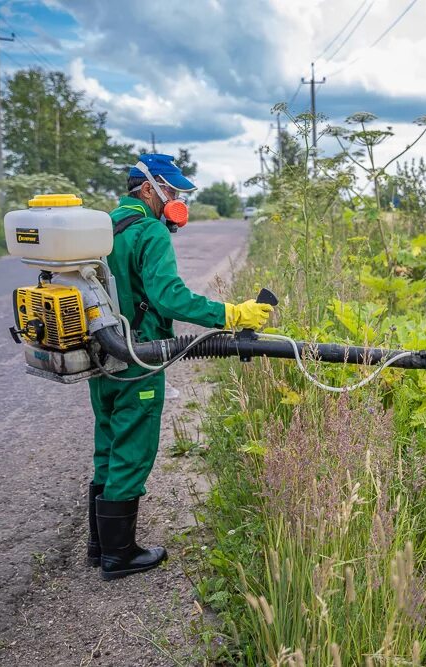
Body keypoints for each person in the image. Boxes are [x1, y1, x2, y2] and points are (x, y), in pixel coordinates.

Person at [87, 153, 272, 581]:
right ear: (148, 190)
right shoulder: (149, 231)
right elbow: (169, 297)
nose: (176, 200)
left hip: (103, 353)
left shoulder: (105, 227)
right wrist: (231, 313)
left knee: (108, 441)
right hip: (140, 356)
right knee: (133, 448)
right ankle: (119, 555)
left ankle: (99, 545)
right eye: (170, 191)